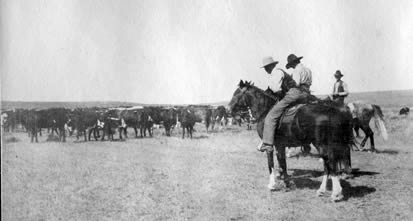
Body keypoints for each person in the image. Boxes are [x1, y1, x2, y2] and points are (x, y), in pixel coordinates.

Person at [259, 54, 312, 152]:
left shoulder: (282, 72)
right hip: (307, 93)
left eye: (266, 68)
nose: (266, 70)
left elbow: (279, 88)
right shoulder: (308, 70)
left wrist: (276, 92)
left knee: (271, 115)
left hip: (295, 93)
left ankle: (268, 144)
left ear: (270, 66)